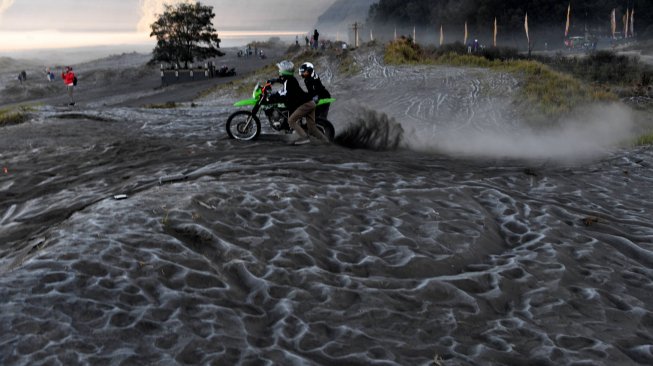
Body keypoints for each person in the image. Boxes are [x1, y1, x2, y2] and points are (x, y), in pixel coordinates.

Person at [267, 60, 328, 145]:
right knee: (312, 129)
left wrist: (273, 96)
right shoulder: (289, 79)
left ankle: (304, 138)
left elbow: (285, 93)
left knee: (291, 121)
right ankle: (327, 142)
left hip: (306, 105)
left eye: (280, 69)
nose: (279, 71)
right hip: (309, 103)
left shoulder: (289, 81)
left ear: (284, 71)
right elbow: (283, 82)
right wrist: (274, 80)